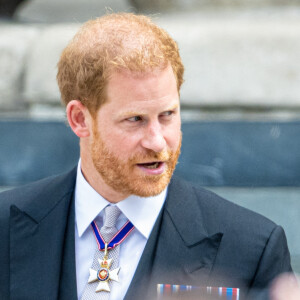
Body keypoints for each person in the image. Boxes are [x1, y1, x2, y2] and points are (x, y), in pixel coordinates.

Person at [0, 13, 292, 300]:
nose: (157, 142)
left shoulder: (251, 248)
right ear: (79, 119)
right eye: (135, 119)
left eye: (167, 115)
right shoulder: (6, 227)